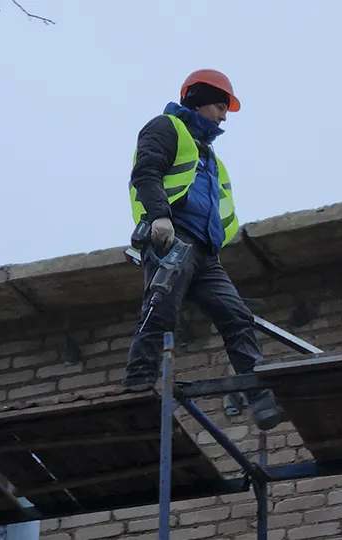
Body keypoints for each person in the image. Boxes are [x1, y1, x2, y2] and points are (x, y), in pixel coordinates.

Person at [124, 68, 283, 431]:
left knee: (236, 315)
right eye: (220, 106)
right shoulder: (166, 128)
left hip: (205, 255)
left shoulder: (209, 157)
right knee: (161, 311)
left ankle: (258, 395)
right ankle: (137, 385)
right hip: (172, 239)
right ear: (197, 100)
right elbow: (145, 173)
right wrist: (160, 217)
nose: (224, 116)